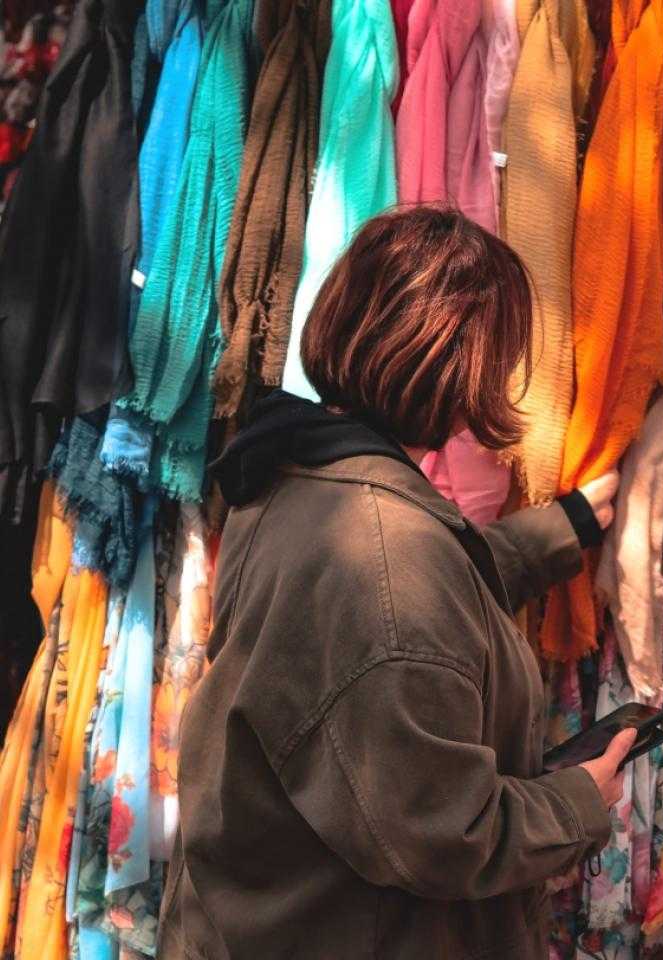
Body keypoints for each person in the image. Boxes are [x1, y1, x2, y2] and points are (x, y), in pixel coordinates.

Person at [158, 206, 634, 959]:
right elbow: (437, 830)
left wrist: (560, 528)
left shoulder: (300, 471)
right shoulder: (385, 562)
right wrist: (579, 802)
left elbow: (413, 608)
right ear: (466, 368)